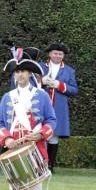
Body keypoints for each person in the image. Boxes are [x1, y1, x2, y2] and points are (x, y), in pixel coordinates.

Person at [0, 57, 57, 190]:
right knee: (15, 185)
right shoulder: (8, 97)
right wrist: (6, 139)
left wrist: (41, 134)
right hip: (14, 147)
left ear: (30, 74)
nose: (19, 74)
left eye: (22, 71)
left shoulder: (41, 96)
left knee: (35, 185)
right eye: (17, 71)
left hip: (35, 146)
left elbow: (51, 120)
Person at [39, 43, 78, 173]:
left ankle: (50, 165)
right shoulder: (39, 67)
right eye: (55, 53)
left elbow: (74, 90)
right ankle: (38, 164)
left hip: (58, 108)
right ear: (50, 54)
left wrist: (60, 85)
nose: (58, 55)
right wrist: (41, 82)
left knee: (53, 136)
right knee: (37, 133)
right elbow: (31, 82)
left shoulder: (69, 70)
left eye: (60, 54)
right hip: (39, 107)